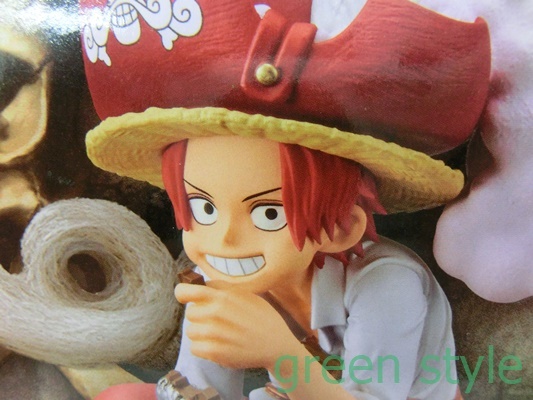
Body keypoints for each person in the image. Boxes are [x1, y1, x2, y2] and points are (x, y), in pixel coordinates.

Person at [81, 0, 491, 398]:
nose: (225, 239)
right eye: (204, 209)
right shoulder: (226, 272)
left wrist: (280, 353)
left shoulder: (388, 282)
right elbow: (202, 387)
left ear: (342, 228)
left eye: (268, 214)